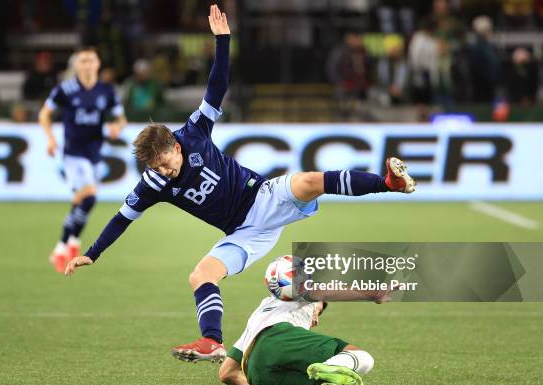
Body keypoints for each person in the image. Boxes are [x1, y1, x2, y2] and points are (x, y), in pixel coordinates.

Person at [64, 4, 415, 363]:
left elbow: (218, 84)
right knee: (201, 274)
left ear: (175, 145)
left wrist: (222, 41)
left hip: (263, 197)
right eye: (157, 167)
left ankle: (388, 183)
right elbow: (123, 218)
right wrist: (92, 253)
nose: (165, 172)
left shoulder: (195, 132)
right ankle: (211, 341)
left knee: (309, 180)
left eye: (167, 163)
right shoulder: (153, 183)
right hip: (244, 233)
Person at [38, 46, 127, 272]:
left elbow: (121, 118)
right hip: (73, 153)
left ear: (98, 64)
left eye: (91, 60)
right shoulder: (65, 89)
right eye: (83, 61)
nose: (87, 64)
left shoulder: (106, 90)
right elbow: (44, 114)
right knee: (90, 196)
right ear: (76, 65)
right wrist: (50, 139)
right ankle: (66, 246)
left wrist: (117, 127)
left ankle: (65, 246)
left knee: (81, 202)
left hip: (95, 153)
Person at [218, 290, 383, 385]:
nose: (317, 318)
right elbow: (323, 290)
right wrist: (372, 294)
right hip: (278, 338)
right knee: (362, 357)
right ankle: (328, 367)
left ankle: (333, 383)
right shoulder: (299, 296)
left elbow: (227, 373)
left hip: (261, 379)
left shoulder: (258, 316)